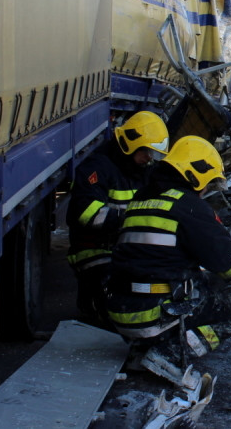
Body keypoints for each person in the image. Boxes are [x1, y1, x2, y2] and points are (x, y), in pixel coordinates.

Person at [106, 135, 231, 383]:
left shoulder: (140, 199)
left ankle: (142, 349)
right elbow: (227, 261)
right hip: (151, 313)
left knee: (200, 282)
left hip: (120, 312)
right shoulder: (187, 206)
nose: (206, 190)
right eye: (207, 183)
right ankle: (171, 354)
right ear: (195, 174)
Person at [67, 110, 170, 326]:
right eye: (146, 153)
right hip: (96, 249)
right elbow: (85, 213)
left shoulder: (143, 169)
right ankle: (92, 308)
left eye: (153, 154)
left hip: (127, 247)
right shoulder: (98, 168)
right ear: (129, 146)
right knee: (112, 297)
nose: (149, 159)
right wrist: (134, 219)